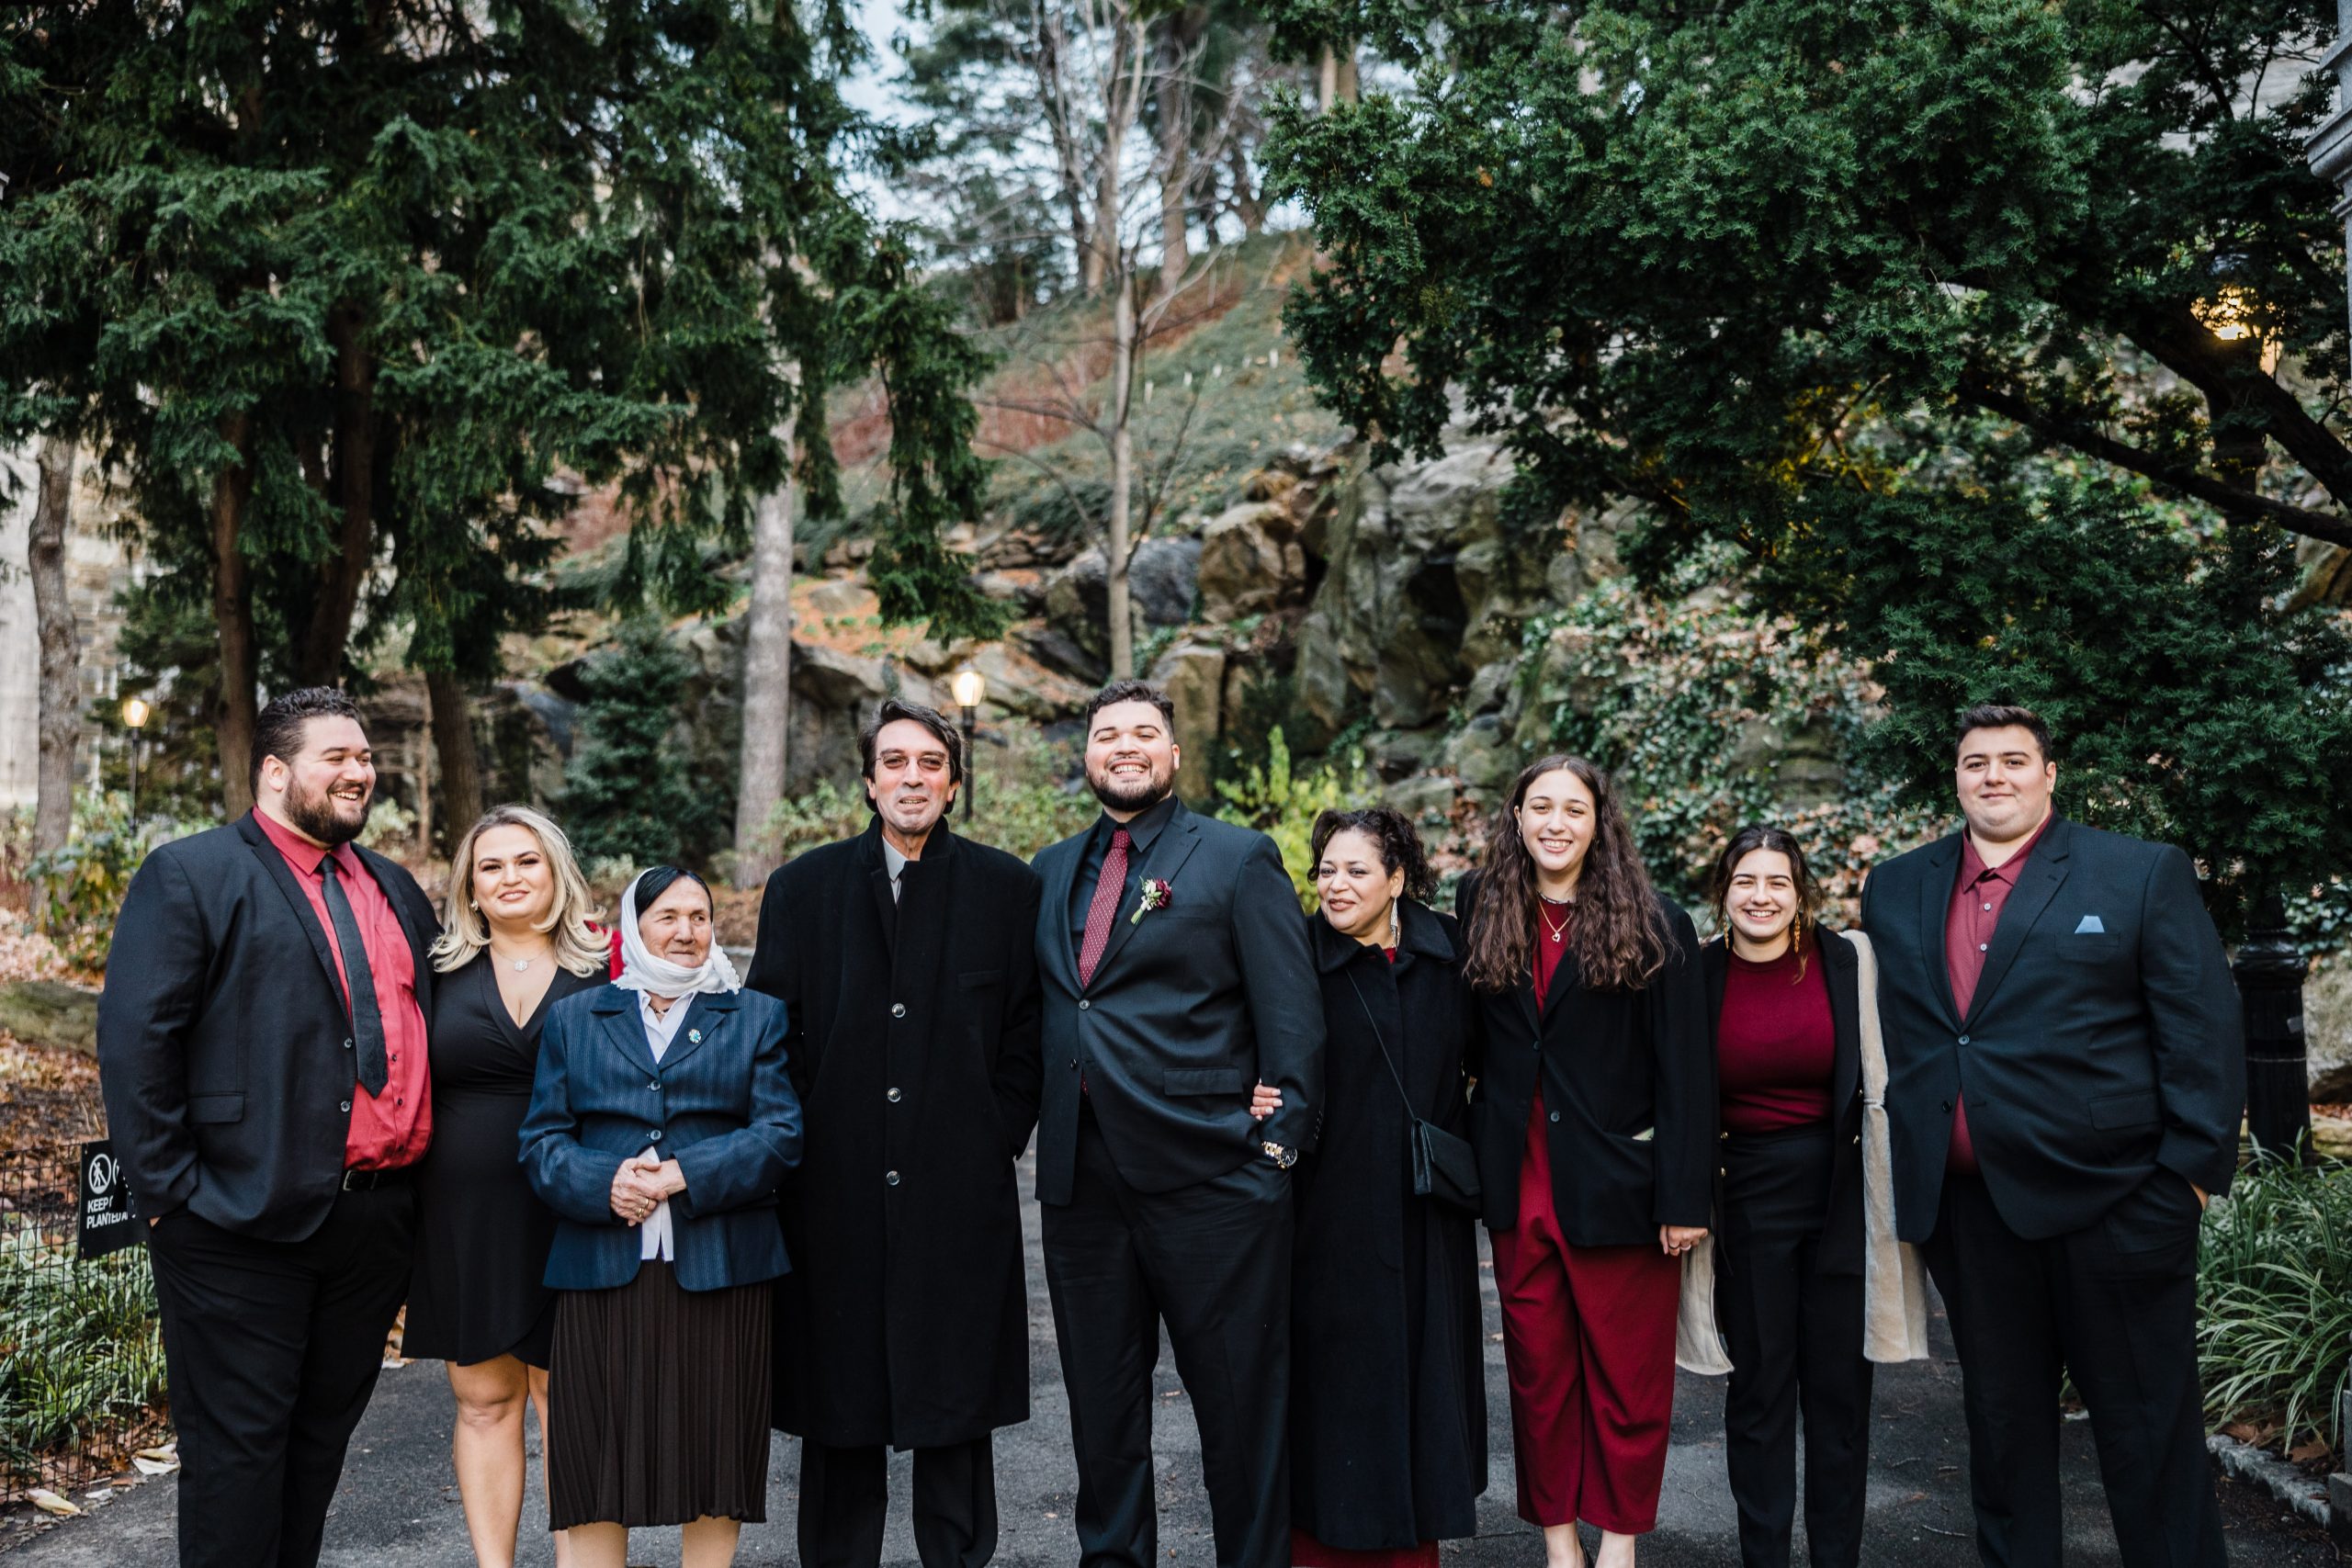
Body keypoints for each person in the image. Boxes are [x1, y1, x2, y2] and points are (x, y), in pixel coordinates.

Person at [1860, 705, 2243, 1568]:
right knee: (2002, 1445)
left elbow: (2203, 1032)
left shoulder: (2136, 872)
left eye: (2013, 760)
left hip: (2118, 1206)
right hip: (1972, 1213)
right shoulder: (1896, 886)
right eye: (1974, 762)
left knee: (2149, 1442)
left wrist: (2184, 1180)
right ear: (1954, 777)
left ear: (2049, 773)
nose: (1993, 776)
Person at [96, 687, 440, 1568]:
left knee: (318, 1450)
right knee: (237, 1460)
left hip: (373, 1223)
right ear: (276, 771)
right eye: (339, 757)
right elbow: (139, 1047)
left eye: (365, 757)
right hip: (234, 1224)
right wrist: (174, 1201)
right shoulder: (193, 873)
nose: (361, 771)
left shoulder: (396, 888)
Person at [743, 697, 1045, 1568]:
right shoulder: (804, 888)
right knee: (840, 1404)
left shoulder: (1007, 888)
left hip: (957, 1188)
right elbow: (774, 1032)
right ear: (869, 781)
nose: (912, 777)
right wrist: (797, 1143)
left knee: (954, 1402)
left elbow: (1026, 1033)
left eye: (930, 763)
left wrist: (995, 1133)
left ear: (954, 783)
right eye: (895, 762)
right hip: (830, 1190)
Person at [1030, 680, 1323, 1568]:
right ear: (1086, 755)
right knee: (1102, 1416)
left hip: (1214, 1183)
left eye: (1144, 733)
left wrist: (1275, 1147)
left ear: (1174, 754)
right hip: (1082, 1186)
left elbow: (1293, 1016)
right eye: (1108, 734)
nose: (1126, 746)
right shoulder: (1048, 870)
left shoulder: (1236, 858)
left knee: (1238, 1412)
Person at [1455, 754, 1711, 1568]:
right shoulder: (1480, 905)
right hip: (1516, 1176)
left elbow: (1687, 1073)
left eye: (1573, 808)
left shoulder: (1657, 920)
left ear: (1600, 821)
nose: (1555, 823)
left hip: (1622, 1189)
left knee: (1630, 1382)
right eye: (1540, 807)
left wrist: (1684, 1197)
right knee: (1539, 1376)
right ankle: (1561, 1543)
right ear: (1517, 818)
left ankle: (1621, 1544)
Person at [519, 866, 803, 1568]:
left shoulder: (754, 1015)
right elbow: (541, 1141)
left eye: (700, 917)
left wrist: (686, 1173)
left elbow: (781, 1133)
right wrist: (604, 1180)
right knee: (594, 1457)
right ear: (634, 926)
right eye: (667, 916)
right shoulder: (576, 1018)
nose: (686, 931)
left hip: (721, 1264)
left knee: (715, 1453)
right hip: (599, 1267)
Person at [1284, 806, 1486, 1568]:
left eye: (1356, 869)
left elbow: (1492, 1060)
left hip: (1423, 1212)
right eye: (1326, 869)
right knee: (1330, 1387)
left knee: (1424, 1381)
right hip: (1323, 1213)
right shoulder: (1298, 952)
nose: (1336, 884)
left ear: (1398, 878)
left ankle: (1412, 1551)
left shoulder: (1448, 955)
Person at [407, 806, 608, 1568]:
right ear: (469, 886)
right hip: (466, 1215)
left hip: (577, 1212)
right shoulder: (436, 973)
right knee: (485, 1401)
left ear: (556, 872)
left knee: (571, 1402)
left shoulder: (607, 971)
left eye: (526, 861)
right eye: (490, 866)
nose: (510, 877)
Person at [1700, 826, 1880, 1568]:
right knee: (1761, 1395)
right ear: (1725, 893)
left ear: (1800, 890)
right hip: (1744, 1199)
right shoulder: (1699, 974)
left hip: (1840, 1196)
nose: (1762, 895)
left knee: (1839, 1400)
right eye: (1746, 881)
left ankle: (1836, 1557)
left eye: (1777, 881)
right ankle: (1764, 1555)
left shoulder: (1844, 961)